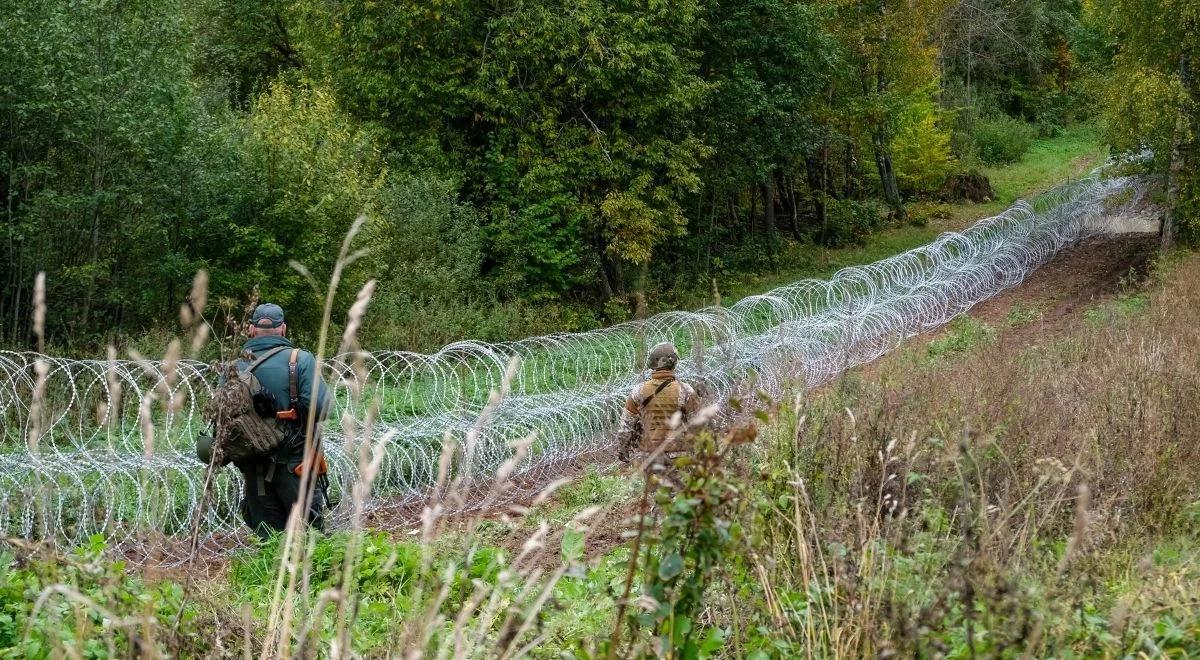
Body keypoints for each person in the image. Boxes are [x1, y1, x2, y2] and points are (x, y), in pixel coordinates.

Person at [232, 303, 331, 538]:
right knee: (309, 536)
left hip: (253, 467)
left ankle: (273, 575)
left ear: (251, 329)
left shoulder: (234, 367)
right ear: (283, 329)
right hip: (297, 467)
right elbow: (322, 408)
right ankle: (309, 575)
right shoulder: (300, 360)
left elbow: (221, 418)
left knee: (268, 539)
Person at [616, 342, 701, 467]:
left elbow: (626, 427)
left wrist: (623, 451)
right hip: (679, 456)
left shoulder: (638, 391)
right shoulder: (686, 391)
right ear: (673, 363)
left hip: (650, 456)